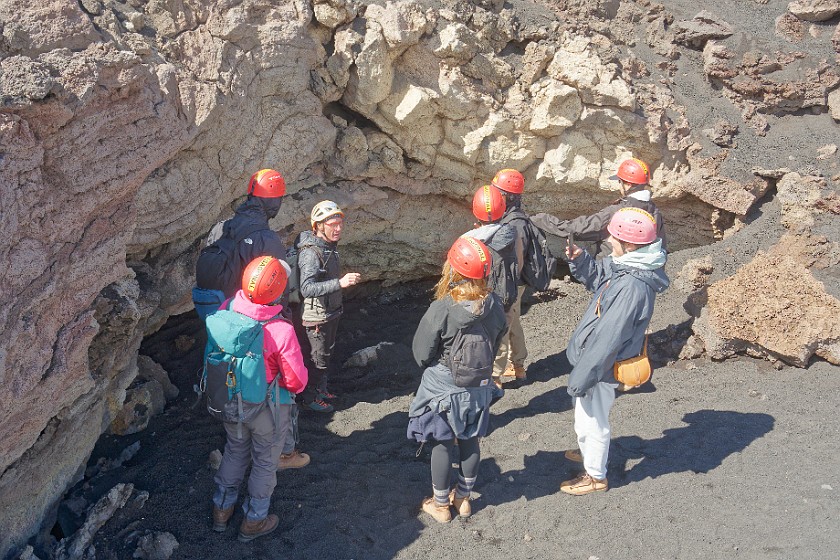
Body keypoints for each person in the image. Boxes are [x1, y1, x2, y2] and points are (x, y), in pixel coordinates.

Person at [560, 208, 669, 496]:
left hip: (601, 365)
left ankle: (595, 476)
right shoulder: (632, 265)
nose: (609, 239)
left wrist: (582, 376)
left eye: (615, 236)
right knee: (589, 414)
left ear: (631, 244)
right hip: (599, 362)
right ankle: (588, 452)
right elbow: (599, 281)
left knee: (592, 418)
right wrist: (581, 260)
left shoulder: (632, 285)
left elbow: (608, 338)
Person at [407, 237, 508, 523]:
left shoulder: (443, 307)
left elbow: (421, 353)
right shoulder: (495, 305)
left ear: (453, 269)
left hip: (443, 387)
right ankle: (463, 499)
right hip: (478, 387)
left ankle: (440, 506)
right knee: (470, 442)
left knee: (442, 443)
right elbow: (498, 340)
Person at [210, 256, 309, 541]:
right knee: (265, 462)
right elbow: (296, 381)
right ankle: (254, 520)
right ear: (278, 291)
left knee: (235, 451)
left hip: (230, 400)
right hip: (266, 409)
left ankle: (221, 509)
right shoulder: (280, 329)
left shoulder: (226, 308)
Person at [194, 169, 289, 319]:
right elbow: (279, 291)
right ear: (275, 202)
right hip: (245, 322)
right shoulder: (267, 240)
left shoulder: (221, 228)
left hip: (214, 317)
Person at [295, 201, 361, 413]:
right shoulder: (311, 254)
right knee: (317, 360)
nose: (338, 228)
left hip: (330, 311)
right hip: (317, 317)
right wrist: (339, 283)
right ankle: (310, 398)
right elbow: (306, 288)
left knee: (325, 354)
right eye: (333, 224)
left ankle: (320, 390)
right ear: (318, 226)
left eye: (340, 223)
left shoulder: (328, 247)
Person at [531, 158, 666, 258]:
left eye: (620, 181)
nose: (619, 185)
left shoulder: (618, 211)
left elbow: (577, 229)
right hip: (641, 278)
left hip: (612, 273)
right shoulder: (655, 213)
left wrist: (540, 219)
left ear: (628, 184)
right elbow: (661, 248)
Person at [463, 185, 519, 388]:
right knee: (500, 337)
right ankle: (495, 378)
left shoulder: (468, 240)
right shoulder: (511, 233)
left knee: (476, 339)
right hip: (505, 295)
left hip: (479, 298)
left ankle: (479, 376)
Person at [491, 169, 530, 383]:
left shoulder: (515, 224)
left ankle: (495, 377)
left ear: (507, 195)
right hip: (518, 282)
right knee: (514, 323)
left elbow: (517, 260)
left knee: (502, 325)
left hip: (511, 282)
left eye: (498, 192)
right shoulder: (516, 219)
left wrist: (506, 287)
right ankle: (519, 366)